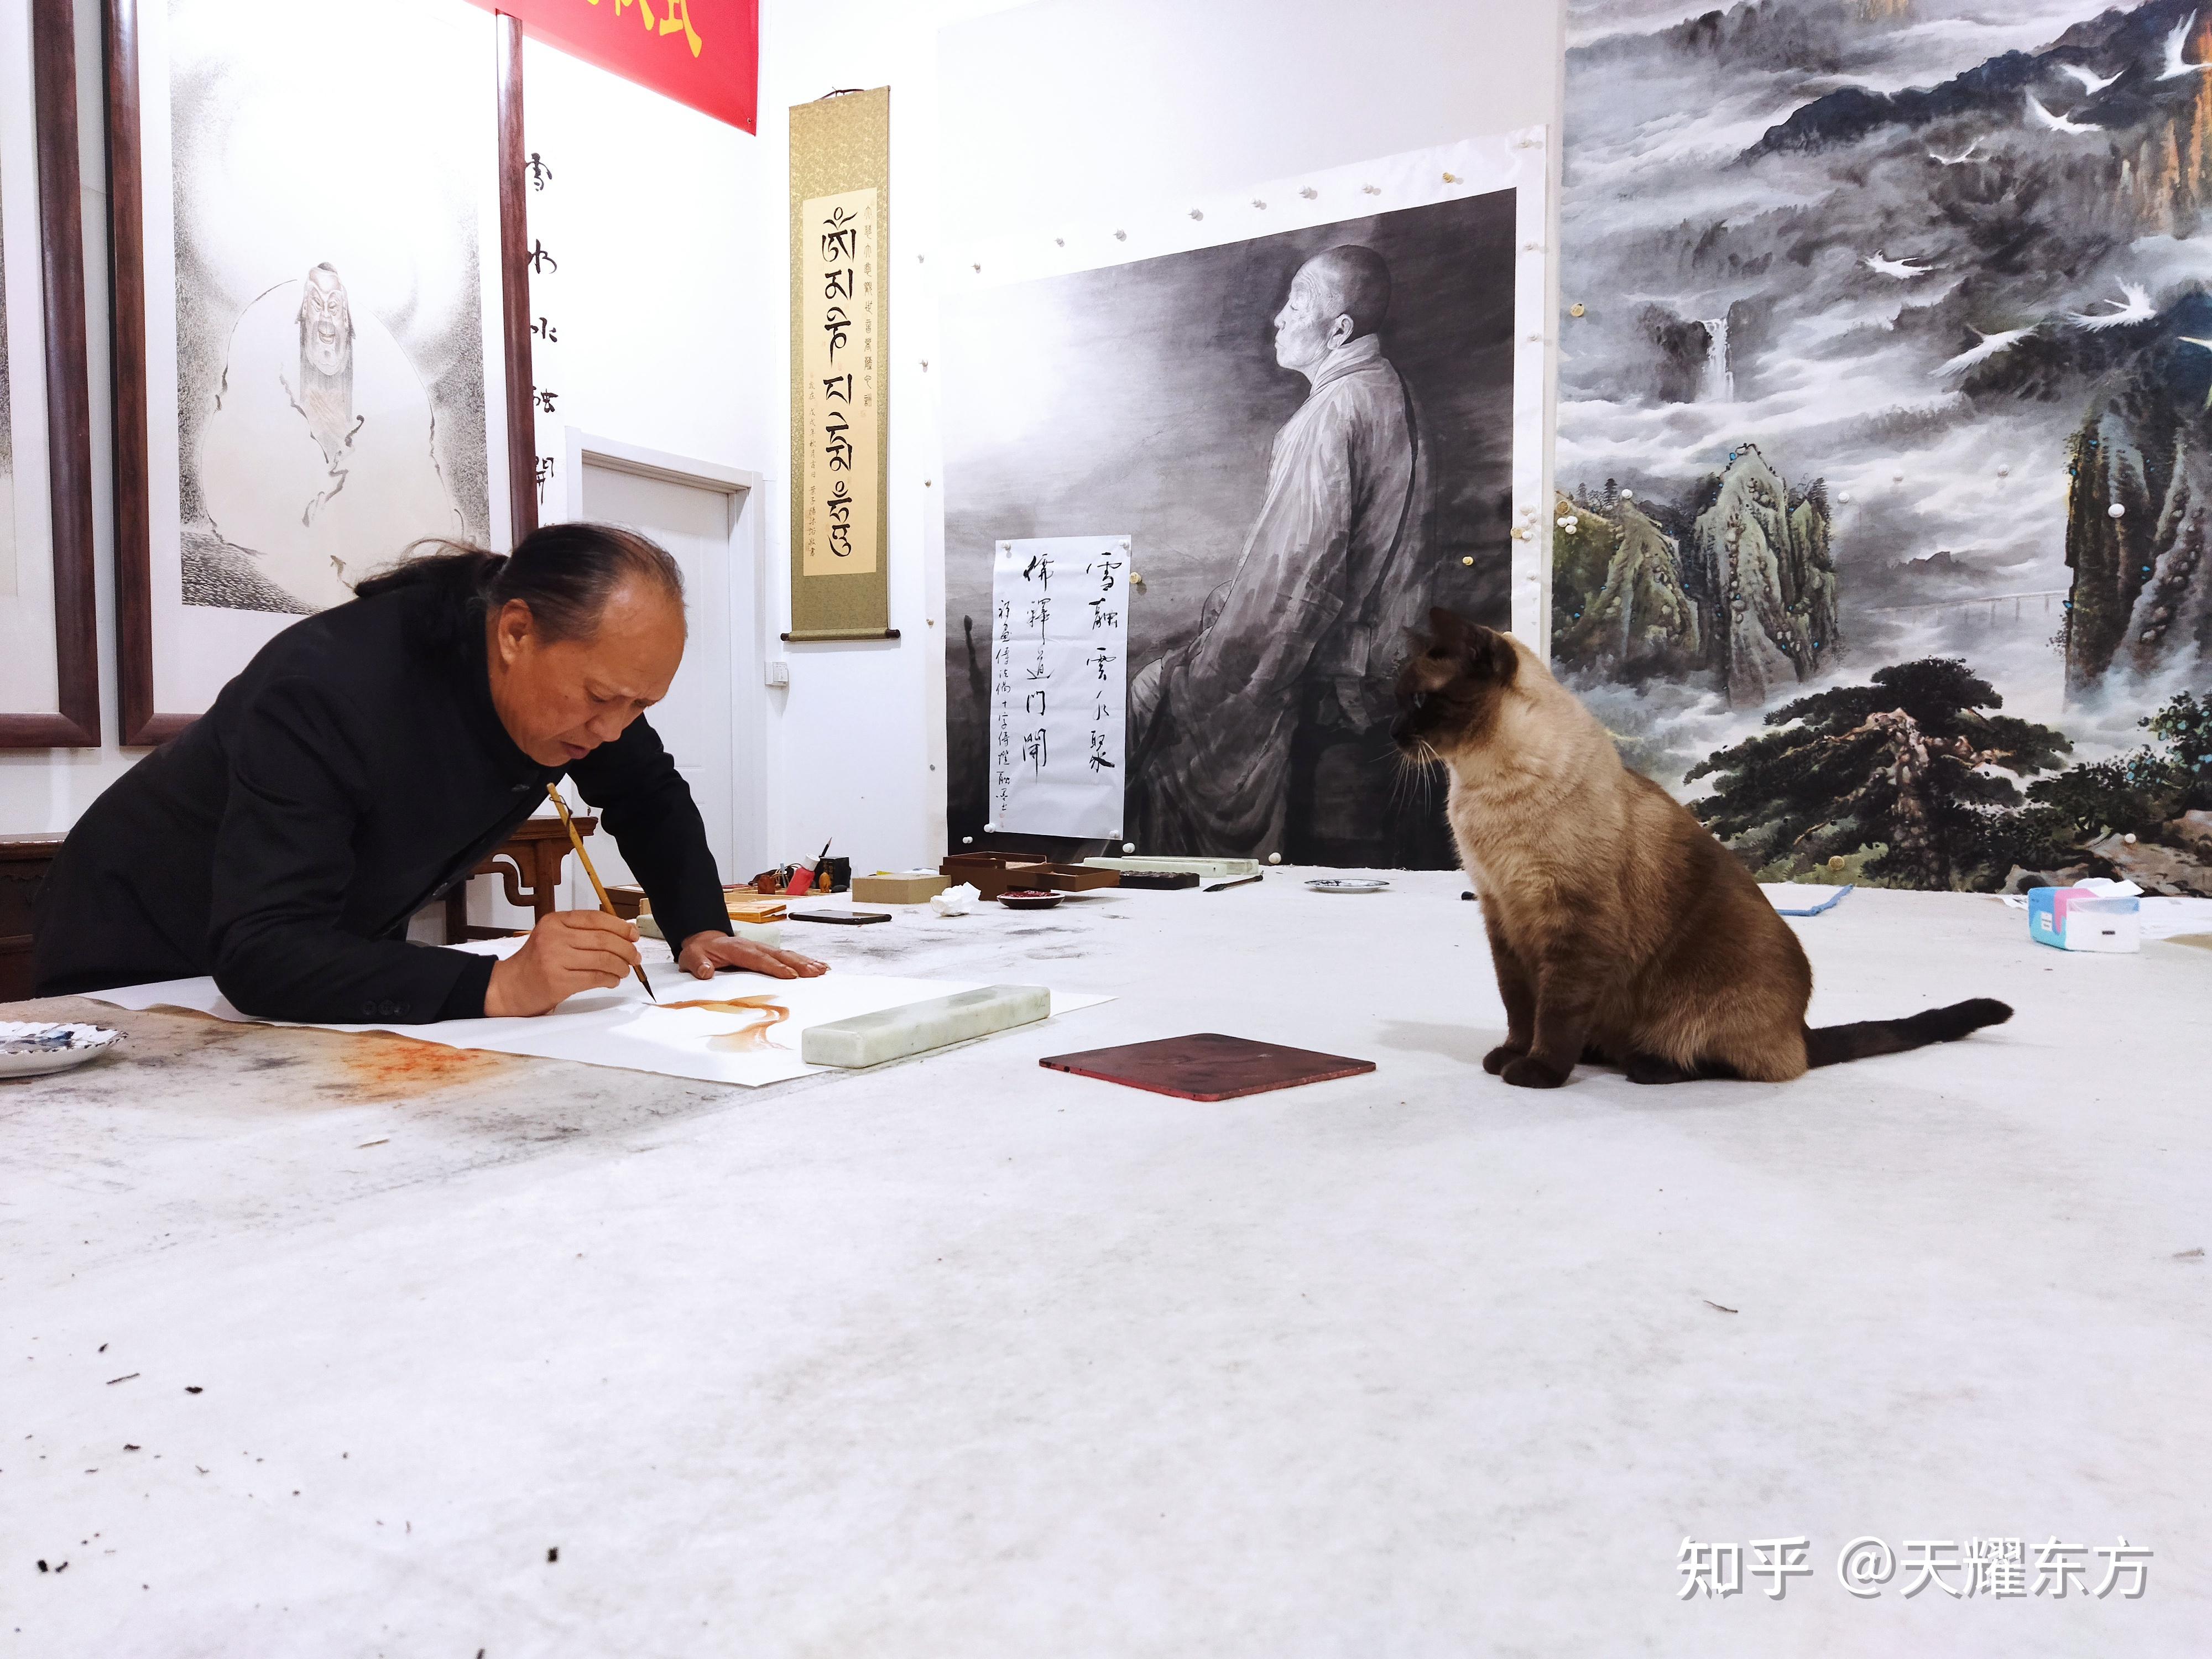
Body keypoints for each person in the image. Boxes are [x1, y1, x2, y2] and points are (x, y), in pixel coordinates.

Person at [35, 523, 825, 1020]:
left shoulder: (579, 690)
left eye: (638, 706)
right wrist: (499, 987)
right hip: (136, 959)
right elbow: (263, 951)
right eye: (601, 700)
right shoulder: (327, 689)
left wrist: (698, 927)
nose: (614, 729)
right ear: (516, 632)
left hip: (276, 960)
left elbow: (648, 793)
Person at [1127, 243, 1430, 862]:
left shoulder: (1330, 413)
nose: (1279, 319)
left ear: (1339, 330)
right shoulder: (1392, 392)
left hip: (1333, 668)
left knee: (1155, 700)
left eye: (1296, 305)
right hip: (1389, 657)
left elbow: (1292, 582)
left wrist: (1208, 673)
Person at [189, 262, 467, 613]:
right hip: (285, 524)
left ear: (348, 318)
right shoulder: (263, 350)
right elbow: (240, 447)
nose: (325, 319)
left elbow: (411, 461)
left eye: (333, 306)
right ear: (302, 313)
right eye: (315, 305)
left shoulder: (386, 369)